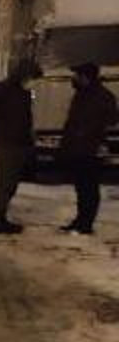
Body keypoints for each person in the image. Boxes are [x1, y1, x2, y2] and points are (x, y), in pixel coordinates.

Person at [58, 62, 118, 235]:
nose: (74, 79)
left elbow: (113, 119)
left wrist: (91, 130)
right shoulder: (82, 94)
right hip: (77, 148)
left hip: (90, 149)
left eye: (77, 75)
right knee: (81, 187)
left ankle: (86, 223)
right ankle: (80, 220)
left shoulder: (102, 96)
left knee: (89, 187)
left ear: (86, 77)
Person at [0, 60, 38, 234]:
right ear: (24, 75)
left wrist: (29, 142)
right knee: (5, 184)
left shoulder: (24, 93)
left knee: (11, 184)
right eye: (33, 78)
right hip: (4, 143)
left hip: (18, 143)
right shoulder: (2, 89)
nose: (33, 82)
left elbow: (26, 120)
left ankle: (1, 218)